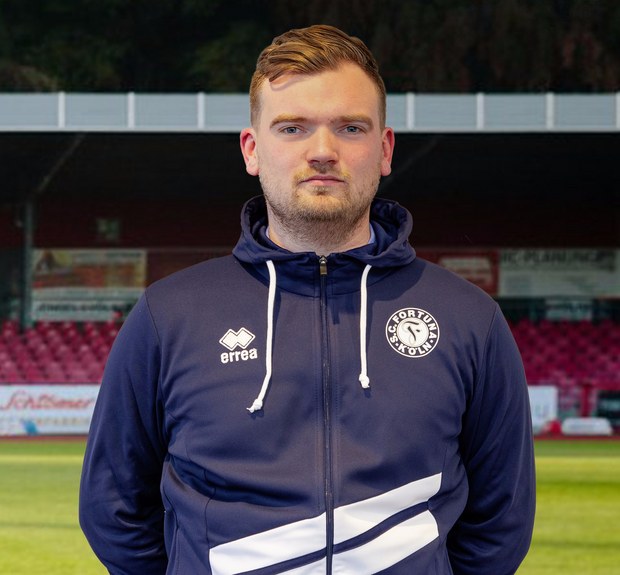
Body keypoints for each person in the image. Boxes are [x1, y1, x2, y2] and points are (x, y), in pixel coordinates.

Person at [79, 24, 535, 575]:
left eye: (350, 127)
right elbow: (114, 508)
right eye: (293, 128)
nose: (323, 151)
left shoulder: (470, 318)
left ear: (384, 149)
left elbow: (500, 522)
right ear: (252, 149)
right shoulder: (168, 315)